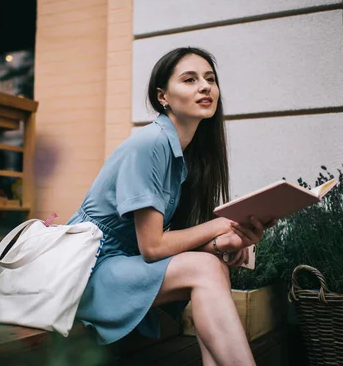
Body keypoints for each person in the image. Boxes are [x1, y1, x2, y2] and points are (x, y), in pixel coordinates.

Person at [67, 47, 273, 366]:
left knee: (210, 265)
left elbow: (169, 238)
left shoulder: (187, 154)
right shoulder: (149, 144)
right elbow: (152, 247)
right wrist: (220, 224)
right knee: (205, 268)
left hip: (123, 263)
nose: (204, 86)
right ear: (163, 96)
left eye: (210, 79)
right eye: (189, 79)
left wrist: (223, 242)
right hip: (90, 271)